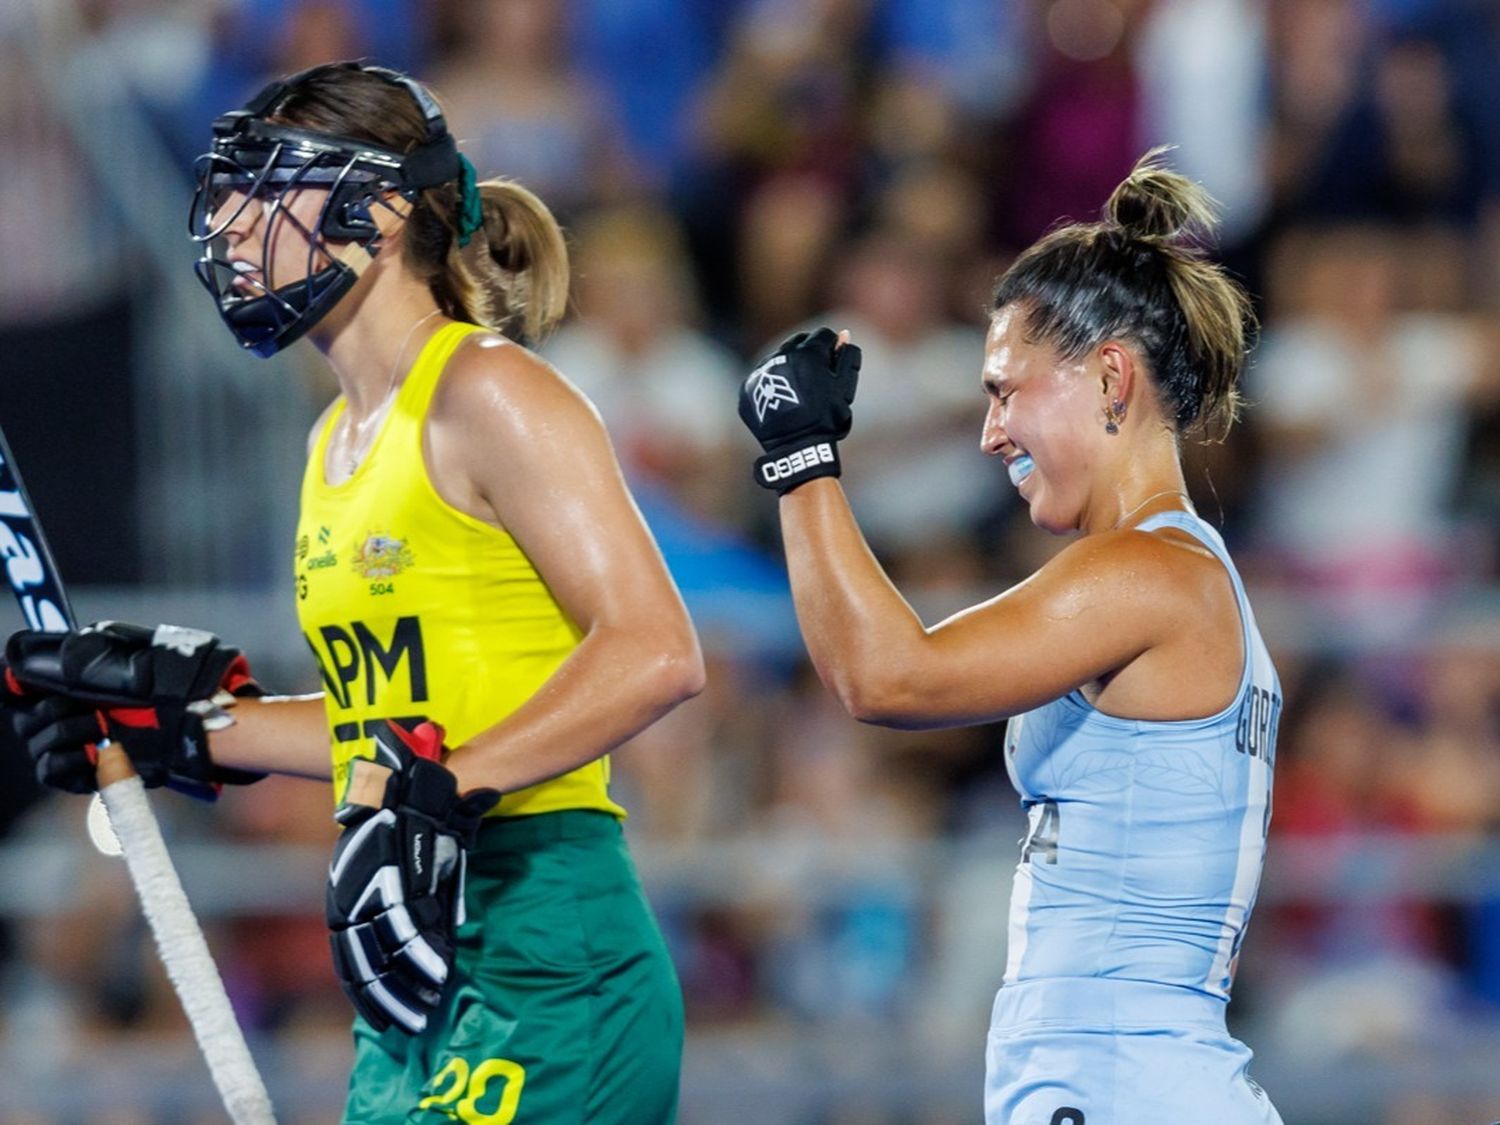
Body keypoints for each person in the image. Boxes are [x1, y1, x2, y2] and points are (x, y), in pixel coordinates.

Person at [2, 61, 702, 1124]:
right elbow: (387, 729)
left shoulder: (488, 391)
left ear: (373, 214)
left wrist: (451, 787)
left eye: (262, 194)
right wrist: (188, 729)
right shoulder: (333, 439)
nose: (229, 229)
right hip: (407, 965)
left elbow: (655, 650)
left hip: (545, 949)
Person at [736, 150, 1283, 1124]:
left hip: (1122, 1093)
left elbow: (884, 678)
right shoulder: (1168, 574)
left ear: (1111, 377)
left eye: (1005, 389)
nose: (990, 433)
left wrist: (802, 461)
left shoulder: (1146, 575)